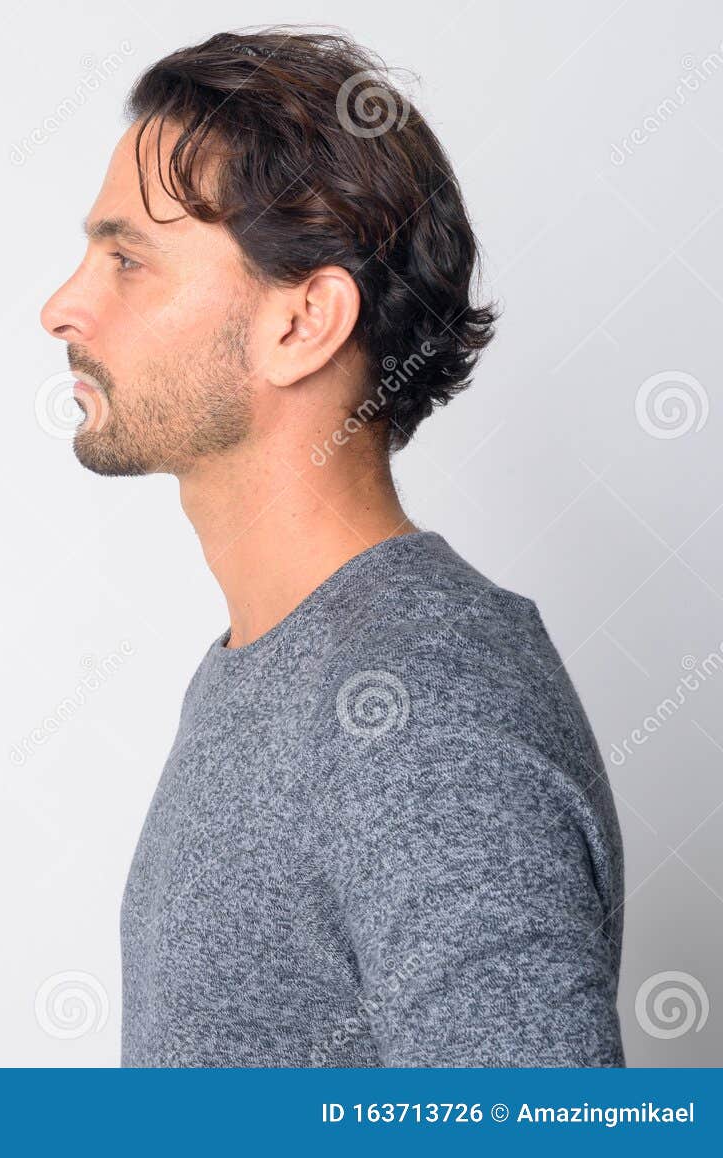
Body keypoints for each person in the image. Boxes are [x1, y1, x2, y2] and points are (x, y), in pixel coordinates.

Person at [39, 27, 625, 1066]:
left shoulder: (423, 710)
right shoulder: (263, 667)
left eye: (128, 259)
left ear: (303, 323)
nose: (62, 307)